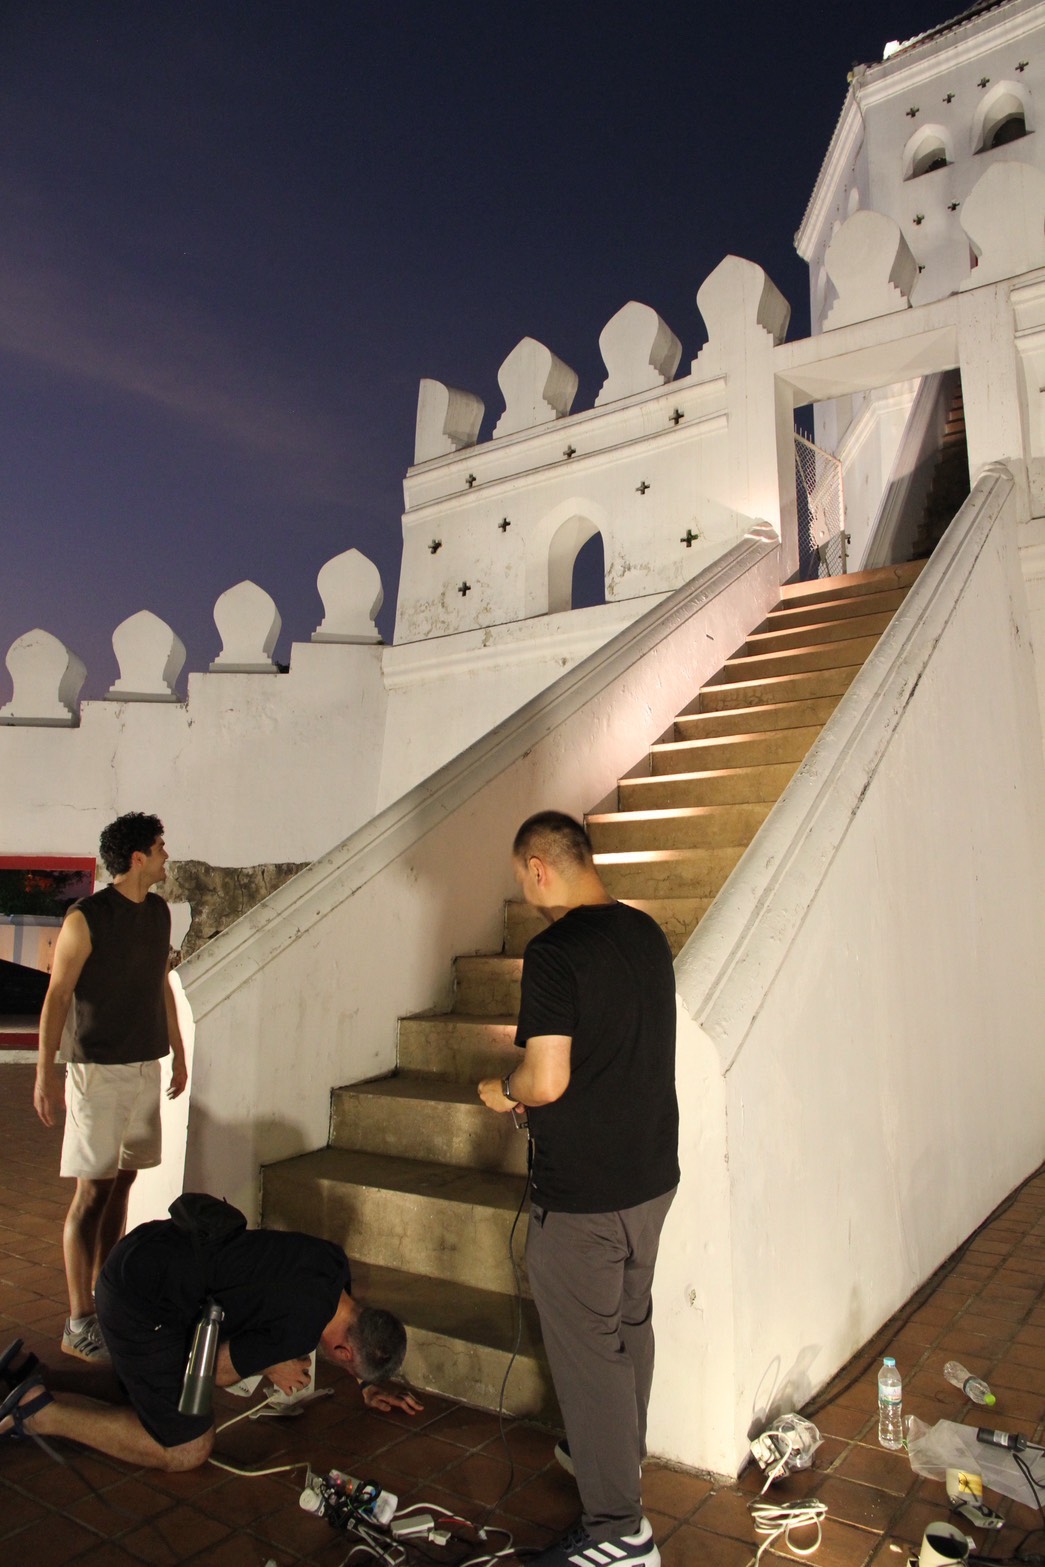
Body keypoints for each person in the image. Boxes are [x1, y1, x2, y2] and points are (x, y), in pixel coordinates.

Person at [478, 811, 679, 1567]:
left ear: (538, 868)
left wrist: (505, 1089)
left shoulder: (555, 951)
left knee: (590, 1354)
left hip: (585, 1196)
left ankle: (619, 1530)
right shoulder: (644, 932)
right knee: (629, 1324)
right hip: (650, 1178)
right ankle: (615, 1456)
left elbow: (548, 1077)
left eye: (521, 879)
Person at [0, 1197, 421, 1469]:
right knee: (188, 1448)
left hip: (148, 1249)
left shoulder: (335, 1264)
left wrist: (366, 1380)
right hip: (139, 1301)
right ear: (344, 1353)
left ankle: (32, 1374)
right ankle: (38, 1414)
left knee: (151, 1386)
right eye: (349, 1368)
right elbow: (213, 1372)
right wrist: (270, 1365)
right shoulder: (296, 1333)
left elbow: (336, 1327)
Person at [34, 812, 188, 1363]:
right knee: (92, 1193)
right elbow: (57, 996)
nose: (167, 855)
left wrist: (178, 1052)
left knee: (123, 1185)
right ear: (138, 858)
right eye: (160, 847)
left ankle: (108, 1300)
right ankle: (79, 1322)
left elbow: (161, 983)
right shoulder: (86, 918)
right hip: (96, 1071)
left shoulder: (160, 912)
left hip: (145, 1064)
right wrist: (44, 1072)